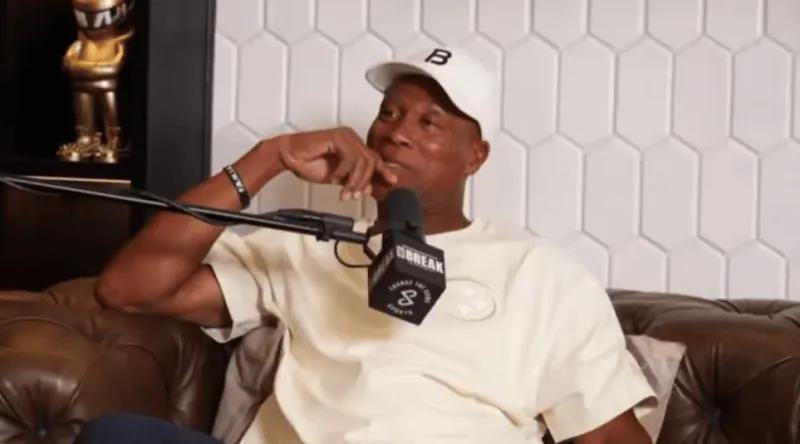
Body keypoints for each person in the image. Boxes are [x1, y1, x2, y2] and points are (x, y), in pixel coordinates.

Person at [74, 47, 656, 444]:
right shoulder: (307, 246)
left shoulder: (543, 275)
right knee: (116, 434)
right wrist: (268, 158)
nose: (397, 132)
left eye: (430, 123)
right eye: (390, 114)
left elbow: (609, 436)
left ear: (475, 157)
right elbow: (128, 290)